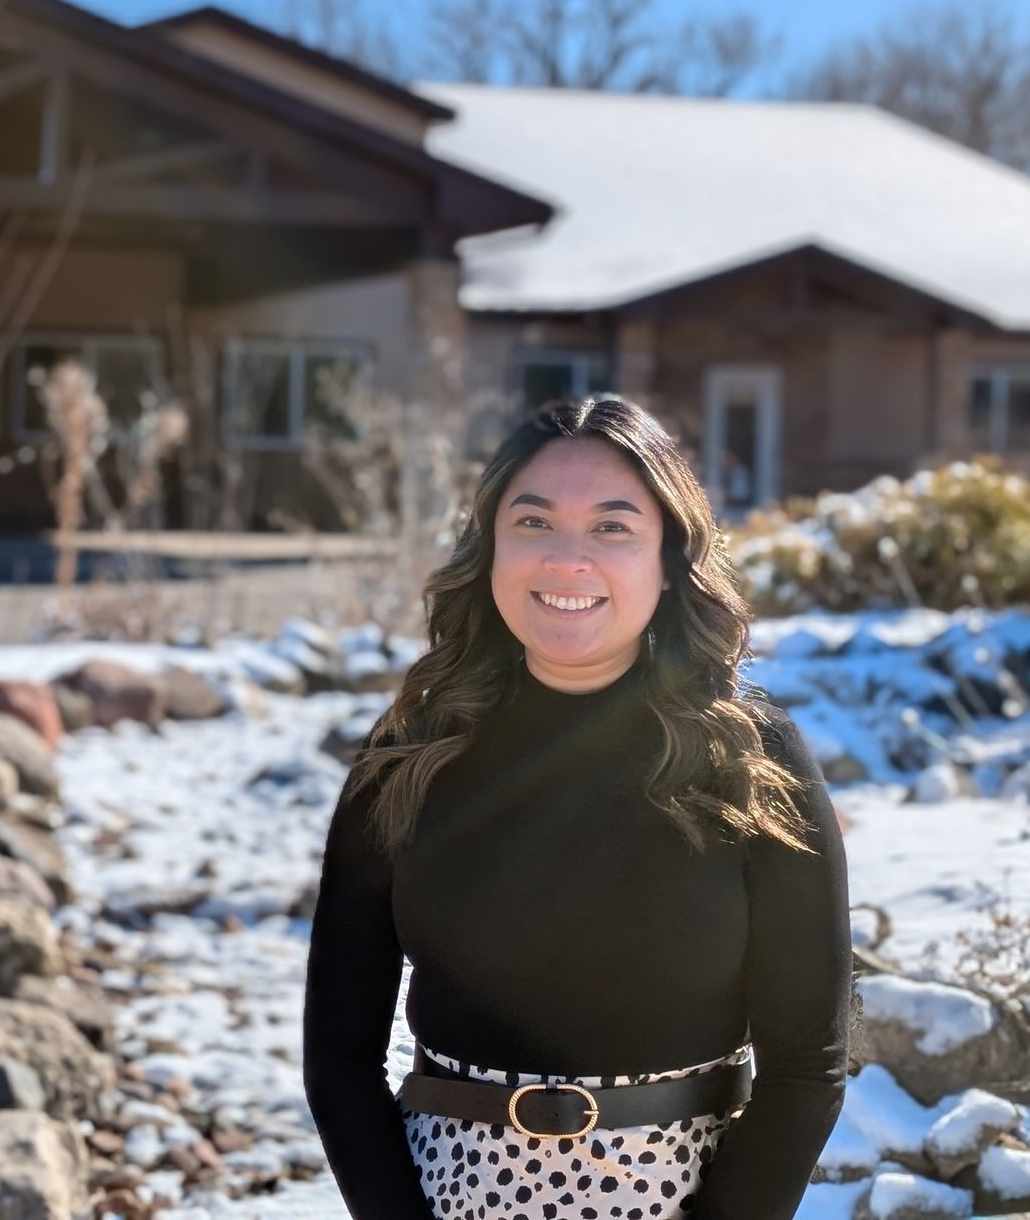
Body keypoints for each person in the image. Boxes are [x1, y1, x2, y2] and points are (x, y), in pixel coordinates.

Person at [302, 394, 852, 1219]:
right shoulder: (408, 757)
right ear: (490, 546)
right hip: (451, 1199)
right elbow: (339, 1060)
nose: (567, 560)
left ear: (669, 559)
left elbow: (807, 1068)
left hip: (684, 1200)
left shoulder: (751, 762)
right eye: (533, 522)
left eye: (612, 528)